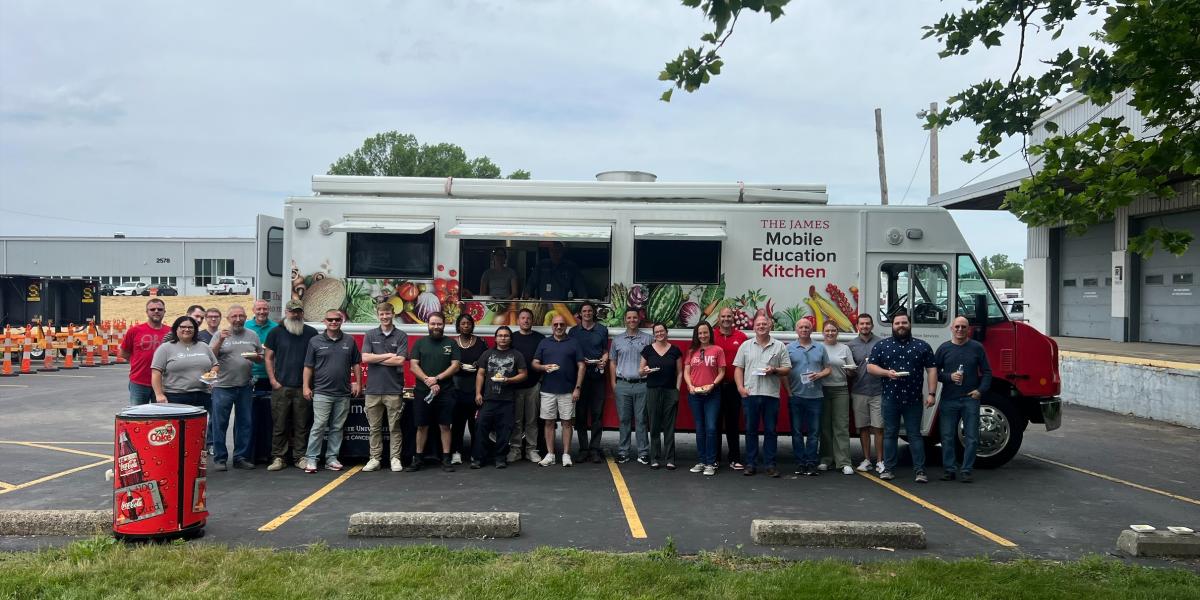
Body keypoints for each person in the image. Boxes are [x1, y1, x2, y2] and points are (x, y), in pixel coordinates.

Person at [867, 310, 938, 483]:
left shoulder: (922, 346)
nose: (901, 326)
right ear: (892, 326)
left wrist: (931, 393)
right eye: (897, 323)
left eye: (904, 323)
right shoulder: (882, 346)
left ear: (910, 324)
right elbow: (870, 367)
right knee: (890, 434)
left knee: (915, 435)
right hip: (890, 399)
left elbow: (932, 370)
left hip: (914, 400)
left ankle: (920, 471)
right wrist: (886, 373)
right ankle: (888, 469)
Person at [301, 309, 362, 473]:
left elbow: (356, 363)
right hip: (321, 392)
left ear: (342, 321)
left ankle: (331, 458)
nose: (333, 322)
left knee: (337, 427)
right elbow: (308, 366)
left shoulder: (349, 340)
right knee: (319, 426)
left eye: (337, 319)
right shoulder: (315, 341)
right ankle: (312, 459)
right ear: (324, 321)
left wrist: (357, 382)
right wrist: (306, 386)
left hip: (343, 393)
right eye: (330, 320)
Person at [934, 316, 993, 483]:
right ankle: (949, 470)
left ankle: (966, 470)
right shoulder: (944, 348)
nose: (960, 330)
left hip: (970, 399)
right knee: (946, 436)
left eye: (963, 327)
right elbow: (934, 372)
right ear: (951, 328)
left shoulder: (977, 348)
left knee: (972, 437)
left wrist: (980, 391)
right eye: (957, 327)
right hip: (949, 399)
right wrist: (949, 376)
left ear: (969, 330)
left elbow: (987, 372)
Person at [733, 314, 791, 477]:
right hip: (750, 393)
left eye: (764, 324)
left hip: (771, 395)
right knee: (750, 431)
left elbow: (787, 369)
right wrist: (740, 388)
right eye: (758, 324)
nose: (761, 326)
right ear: (754, 327)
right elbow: (738, 368)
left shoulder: (779, 346)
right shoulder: (745, 346)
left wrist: (774, 370)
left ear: (770, 326)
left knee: (770, 431)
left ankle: (770, 465)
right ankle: (751, 464)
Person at [264, 300, 318, 471]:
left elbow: (316, 359)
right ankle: (279, 457)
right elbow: (268, 357)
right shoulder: (275, 332)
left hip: (303, 387)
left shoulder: (311, 333)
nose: (295, 315)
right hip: (282, 386)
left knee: (301, 425)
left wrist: (308, 385)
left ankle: (300, 457)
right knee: (279, 424)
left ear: (302, 313)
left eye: (298, 312)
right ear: (286, 312)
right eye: (292, 311)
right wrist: (273, 380)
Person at [208, 305, 263, 471]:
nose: (238, 319)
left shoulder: (252, 335)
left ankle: (241, 457)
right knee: (220, 424)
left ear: (246, 317)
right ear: (228, 319)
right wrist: (221, 340)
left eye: (241, 316)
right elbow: (211, 357)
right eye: (234, 316)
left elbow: (260, 358)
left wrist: (256, 357)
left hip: (244, 386)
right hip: (223, 387)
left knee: (244, 423)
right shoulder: (220, 334)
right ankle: (220, 459)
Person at [407, 312, 461, 472]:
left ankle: (446, 459)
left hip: (446, 392)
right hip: (423, 392)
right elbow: (413, 366)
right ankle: (418, 459)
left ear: (444, 325)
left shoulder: (451, 344)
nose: (436, 327)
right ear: (428, 324)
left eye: (439, 324)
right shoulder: (419, 343)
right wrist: (427, 381)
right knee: (422, 426)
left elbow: (455, 365)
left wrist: (436, 379)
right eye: (433, 324)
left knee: (445, 425)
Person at [360, 302, 409, 473]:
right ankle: (375, 459)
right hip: (372, 390)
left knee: (394, 427)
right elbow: (365, 358)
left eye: (387, 313)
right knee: (374, 428)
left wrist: (376, 357)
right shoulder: (370, 334)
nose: (385, 317)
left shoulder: (401, 335)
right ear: (378, 315)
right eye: (382, 314)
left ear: (393, 314)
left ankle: (395, 458)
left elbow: (400, 360)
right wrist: (388, 355)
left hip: (393, 389)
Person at [471, 326, 527, 468]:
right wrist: (478, 393)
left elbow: (523, 374)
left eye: (506, 336)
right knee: (481, 427)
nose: (503, 338)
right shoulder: (487, 354)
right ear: (495, 338)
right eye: (500, 335)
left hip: (507, 399)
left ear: (510, 338)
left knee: (504, 430)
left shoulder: (517, 355)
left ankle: (500, 458)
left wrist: (509, 380)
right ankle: (479, 458)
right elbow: (480, 374)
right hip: (488, 399)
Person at [533, 314, 585, 467]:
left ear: (566, 326)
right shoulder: (544, 342)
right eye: (556, 324)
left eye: (562, 324)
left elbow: (581, 366)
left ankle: (566, 455)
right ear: (552, 326)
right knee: (548, 423)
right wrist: (543, 367)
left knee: (567, 423)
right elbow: (535, 363)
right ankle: (550, 454)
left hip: (568, 391)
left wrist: (577, 388)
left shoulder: (574, 343)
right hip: (548, 390)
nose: (559, 327)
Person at [785, 318, 829, 476]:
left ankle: (811, 463)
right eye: (801, 327)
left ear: (811, 329)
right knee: (796, 432)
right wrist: (789, 392)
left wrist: (819, 374)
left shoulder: (820, 347)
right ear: (796, 330)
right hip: (796, 395)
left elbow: (828, 369)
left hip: (816, 396)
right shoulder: (789, 348)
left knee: (814, 432)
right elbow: (784, 373)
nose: (804, 329)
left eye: (807, 327)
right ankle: (800, 463)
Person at [567, 302, 609, 463]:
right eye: (584, 311)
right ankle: (583, 449)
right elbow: (570, 353)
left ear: (593, 313)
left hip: (597, 376)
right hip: (580, 377)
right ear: (580, 314)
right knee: (581, 414)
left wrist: (603, 361)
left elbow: (605, 351)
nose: (587, 313)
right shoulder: (573, 331)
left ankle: (595, 449)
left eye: (590, 311)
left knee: (598, 414)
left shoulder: (601, 330)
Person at [610, 308, 652, 464]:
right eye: (629, 318)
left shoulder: (648, 339)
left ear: (639, 320)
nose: (632, 320)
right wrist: (614, 383)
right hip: (623, 384)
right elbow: (612, 362)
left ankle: (643, 452)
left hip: (642, 385)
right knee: (624, 420)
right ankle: (623, 452)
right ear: (625, 320)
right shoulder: (617, 340)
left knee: (642, 420)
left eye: (635, 317)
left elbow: (653, 360)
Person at [684, 322, 725, 476]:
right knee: (700, 429)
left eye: (705, 333)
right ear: (696, 335)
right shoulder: (691, 351)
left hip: (712, 394)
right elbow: (687, 371)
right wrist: (689, 386)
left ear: (710, 333)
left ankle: (711, 462)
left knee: (711, 428)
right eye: (700, 333)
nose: (703, 336)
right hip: (695, 395)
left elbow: (722, 371)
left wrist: (713, 385)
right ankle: (701, 461)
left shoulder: (717, 350)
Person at [640, 322, 682, 470]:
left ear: (666, 332)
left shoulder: (675, 350)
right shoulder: (648, 350)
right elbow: (640, 371)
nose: (659, 334)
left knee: (670, 427)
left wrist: (677, 389)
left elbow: (680, 372)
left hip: (670, 391)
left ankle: (670, 459)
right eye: (656, 332)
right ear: (654, 334)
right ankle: (655, 458)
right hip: (653, 391)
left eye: (661, 331)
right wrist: (645, 370)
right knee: (654, 425)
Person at [149, 316, 217, 408]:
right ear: (176, 329)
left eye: (190, 327)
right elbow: (156, 372)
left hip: (203, 395)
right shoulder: (165, 348)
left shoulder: (204, 346)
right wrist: (159, 394)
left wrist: (212, 374)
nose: (187, 329)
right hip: (175, 396)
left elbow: (215, 364)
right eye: (183, 327)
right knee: (179, 422)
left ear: (195, 330)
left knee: (201, 422)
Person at [845, 314, 884, 473]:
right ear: (857, 326)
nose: (865, 326)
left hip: (878, 391)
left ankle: (880, 461)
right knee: (863, 428)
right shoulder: (850, 345)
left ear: (872, 326)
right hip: (859, 391)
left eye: (868, 323)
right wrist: (849, 372)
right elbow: (849, 369)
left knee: (879, 428)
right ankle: (867, 459)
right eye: (862, 324)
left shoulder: (881, 343)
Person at [817, 321, 855, 475]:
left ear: (837, 332)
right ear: (823, 332)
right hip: (822, 390)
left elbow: (852, 370)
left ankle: (844, 462)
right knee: (825, 427)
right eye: (827, 330)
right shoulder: (818, 347)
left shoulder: (845, 348)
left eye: (833, 330)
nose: (830, 333)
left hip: (841, 390)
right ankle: (826, 459)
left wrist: (851, 371)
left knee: (841, 426)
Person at [450, 313, 488, 465]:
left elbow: (486, 361)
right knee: (457, 422)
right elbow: (447, 363)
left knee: (475, 424)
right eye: (463, 323)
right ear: (458, 326)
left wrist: (477, 365)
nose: (466, 326)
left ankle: (475, 453)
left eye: (468, 323)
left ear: (472, 325)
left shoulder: (480, 342)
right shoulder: (452, 343)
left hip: (475, 387)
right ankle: (456, 452)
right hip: (456, 387)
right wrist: (455, 366)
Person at [508, 308, 545, 464]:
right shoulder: (512, 338)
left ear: (532, 320)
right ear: (518, 321)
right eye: (522, 318)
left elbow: (545, 359)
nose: (525, 321)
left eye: (528, 318)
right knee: (516, 421)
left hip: (533, 386)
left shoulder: (540, 338)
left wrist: (540, 381)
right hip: (515, 386)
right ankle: (515, 450)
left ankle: (531, 450)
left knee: (532, 420)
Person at [713, 307, 748, 470]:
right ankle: (715, 458)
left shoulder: (741, 337)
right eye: (723, 316)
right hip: (714, 387)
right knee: (715, 423)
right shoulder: (711, 335)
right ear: (718, 319)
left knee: (733, 424)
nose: (726, 319)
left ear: (733, 318)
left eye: (729, 316)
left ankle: (734, 458)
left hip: (734, 387)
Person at [120, 298, 170, 405]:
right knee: (138, 416)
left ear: (164, 312)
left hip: (163, 383)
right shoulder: (135, 331)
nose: (156, 311)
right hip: (139, 382)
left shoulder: (170, 332)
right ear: (147, 312)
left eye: (160, 309)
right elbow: (124, 352)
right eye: (152, 309)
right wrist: (138, 361)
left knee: (160, 416)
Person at [246, 299, 278, 464]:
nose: (262, 312)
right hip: (250, 377)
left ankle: (267, 453)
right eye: (259, 309)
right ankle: (249, 454)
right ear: (253, 310)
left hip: (270, 378)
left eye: (265, 309)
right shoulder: (246, 327)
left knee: (269, 419)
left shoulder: (275, 328)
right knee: (249, 419)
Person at [523, 241, 587, 300]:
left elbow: (581, 288)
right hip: (544, 303)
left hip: (565, 304)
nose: (555, 253)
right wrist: (526, 299)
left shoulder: (571, 267)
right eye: (552, 251)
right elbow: (530, 284)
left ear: (563, 251)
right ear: (549, 252)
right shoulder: (542, 265)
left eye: (558, 251)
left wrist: (584, 302)